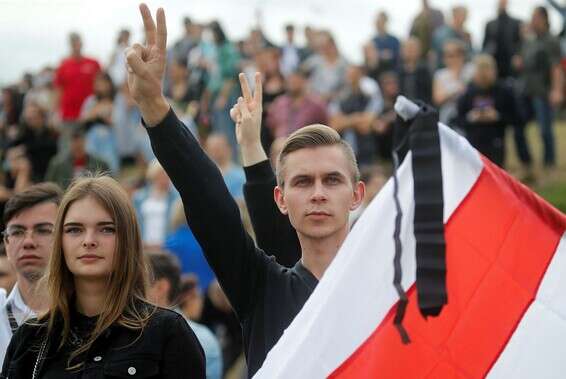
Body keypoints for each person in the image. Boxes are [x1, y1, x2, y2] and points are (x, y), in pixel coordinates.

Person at [124, 5, 364, 375]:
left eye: (332, 179)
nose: (318, 193)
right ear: (281, 200)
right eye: (302, 181)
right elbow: (210, 203)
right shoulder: (261, 289)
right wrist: (155, 107)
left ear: (357, 195)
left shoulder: (386, 289)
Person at [0, 175, 205, 378]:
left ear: (127, 239)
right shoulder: (30, 339)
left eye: (107, 229)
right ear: (60, 242)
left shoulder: (167, 333)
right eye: (74, 230)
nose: (89, 241)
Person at [0, 182, 62, 367]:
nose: (28, 242)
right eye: (18, 231)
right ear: (7, 242)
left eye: (43, 230)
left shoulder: (92, 314)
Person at [146, 250, 222, 379]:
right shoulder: (200, 336)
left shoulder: (199, 339)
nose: (128, 290)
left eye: (137, 283)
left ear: (160, 288)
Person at [516, 6, 563, 168]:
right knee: (519, 126)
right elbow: (523, 63)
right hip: (527, 91)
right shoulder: (530, 41)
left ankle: (549, 163)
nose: (532, 21)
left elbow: (556, 67)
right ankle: (526, 161)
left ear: (544, 18)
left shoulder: (551, 40)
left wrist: (556, 90)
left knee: (545, 130)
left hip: (543, 92)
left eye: (535, 17)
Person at [457, 54, 517, 167]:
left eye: (487, 70)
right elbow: (458, 119)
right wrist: (471, 117)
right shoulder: (467, 93)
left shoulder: (503, 91)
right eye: (480, 71)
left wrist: (497, 116)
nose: (483, 75)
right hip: (473, 143)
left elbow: (516, 117)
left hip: (496, 141)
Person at [133, 160, 179, 248]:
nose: (165, 177)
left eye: (167, 174)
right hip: (144, 245)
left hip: (166, 245)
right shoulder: (139, 197)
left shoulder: (176, 198)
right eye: (161, 174)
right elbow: (134, 221)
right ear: (154, 176)